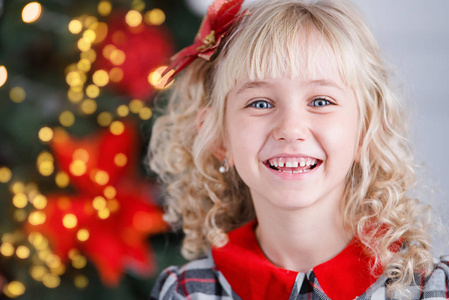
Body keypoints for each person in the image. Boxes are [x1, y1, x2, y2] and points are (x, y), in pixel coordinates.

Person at [148, 0, 449, 299]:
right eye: (260, 103)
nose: (290, 129)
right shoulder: (186, 293)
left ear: (366, 131)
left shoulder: (430, 290)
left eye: (320, 102)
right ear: (218, 137)